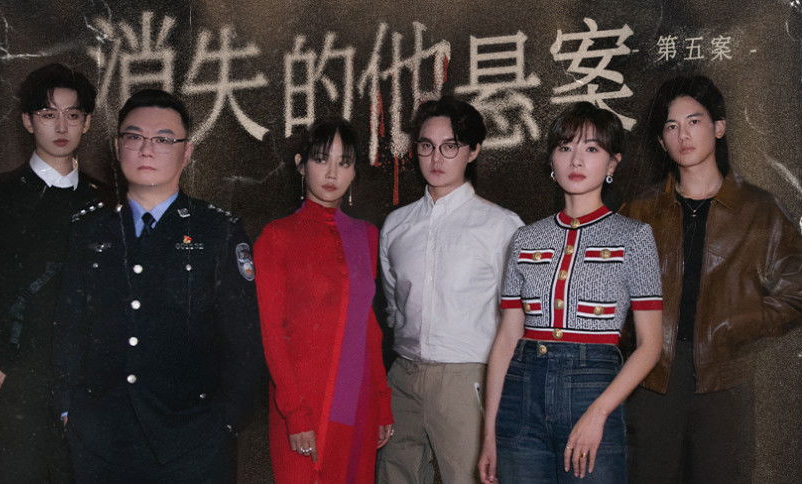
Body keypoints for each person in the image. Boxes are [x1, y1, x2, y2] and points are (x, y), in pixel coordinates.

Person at [53, 89, 263, 483]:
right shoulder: (89, 229)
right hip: (101, 445)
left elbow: (245, 343)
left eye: (164, 140)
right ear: (118, 147)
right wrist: (69, 411)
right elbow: (68, 327)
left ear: (187, 153)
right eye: (134, 137)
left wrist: (225, 425)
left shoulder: (216, 231)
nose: (147, 150)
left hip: (192, 447)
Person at [621, 75, 802, 484]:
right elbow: (610, 292)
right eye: (671, 126)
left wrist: (737, 324)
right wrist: (631, 338)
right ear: (661, 141)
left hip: (725, 379)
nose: (683, 135)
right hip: (651, 377)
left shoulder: (758, 209)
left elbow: (797, 289)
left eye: (694, 121)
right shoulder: (640, 210)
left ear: (719, 127)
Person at [478, 102, 663, 484]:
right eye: (565, 148)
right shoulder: (525, 239)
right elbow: (507, 338)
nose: (576, 160)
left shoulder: (634, 237)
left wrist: (599, 412)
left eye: (591, 148)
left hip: (593, 387)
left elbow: (650, 346)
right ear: (551, 160)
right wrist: (490, 434)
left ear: (613, 163)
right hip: (520, 393)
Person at [0, 63, 100, 483]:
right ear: (28, 121)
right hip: (18, 392)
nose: (61, 126)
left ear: (87, 122)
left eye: (73, 114)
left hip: (89, 398)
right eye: (48, 114)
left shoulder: (104, 201)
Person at [377, 96, 524, 483]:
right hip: (403, 376)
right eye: (426, 146)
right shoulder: (396, 226)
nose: (436, 158)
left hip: (467, 377)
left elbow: (516, 319)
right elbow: (394, 306)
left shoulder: (500, 226)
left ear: (473, 151)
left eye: (450, 146)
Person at [254, 118, 394, 483]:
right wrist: (295, 414)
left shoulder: (366, 236)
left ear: (354, 171)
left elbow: (368, 327)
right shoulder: (276, 237)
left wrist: (382, 403)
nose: (332, 173)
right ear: (301, 164)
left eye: (344, 162)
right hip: (301, 402)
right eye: (321, 159)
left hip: (357, 399)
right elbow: (272, 334)